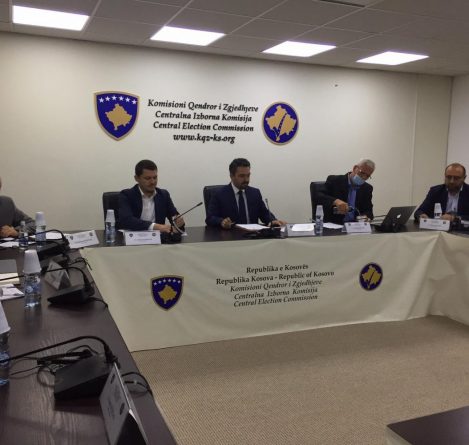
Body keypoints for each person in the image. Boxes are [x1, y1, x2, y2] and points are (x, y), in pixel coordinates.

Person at [206, 158, 285, 229]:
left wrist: (273, 220)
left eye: (248, 175)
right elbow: (210, 218)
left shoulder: (255, 193)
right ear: (232, 176)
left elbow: (264, 213)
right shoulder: (219, 194)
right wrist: (221, 221)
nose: (246, 180)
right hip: (231, 236)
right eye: (242, 176)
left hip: (253, 236)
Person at [119, 160, 184, 232]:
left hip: (158, 238)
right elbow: (127, 220)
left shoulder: (163, 195)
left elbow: (174, 218)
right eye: (147, 178)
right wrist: (157, 227)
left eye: (155, 177)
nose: (152, 182)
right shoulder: (126, 195)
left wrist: (179, 222)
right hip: (133, 237)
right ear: (136, 178)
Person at [316, 159, 375, 224]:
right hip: (334, 225)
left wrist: (366, 217)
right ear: (355, 168)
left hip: (355, 226)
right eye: (362, 173)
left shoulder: (367, 188)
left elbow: (369, 211)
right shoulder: (334, 180)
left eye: (367, 176)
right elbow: (319, 196)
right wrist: (335, 201)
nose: (364, 177)